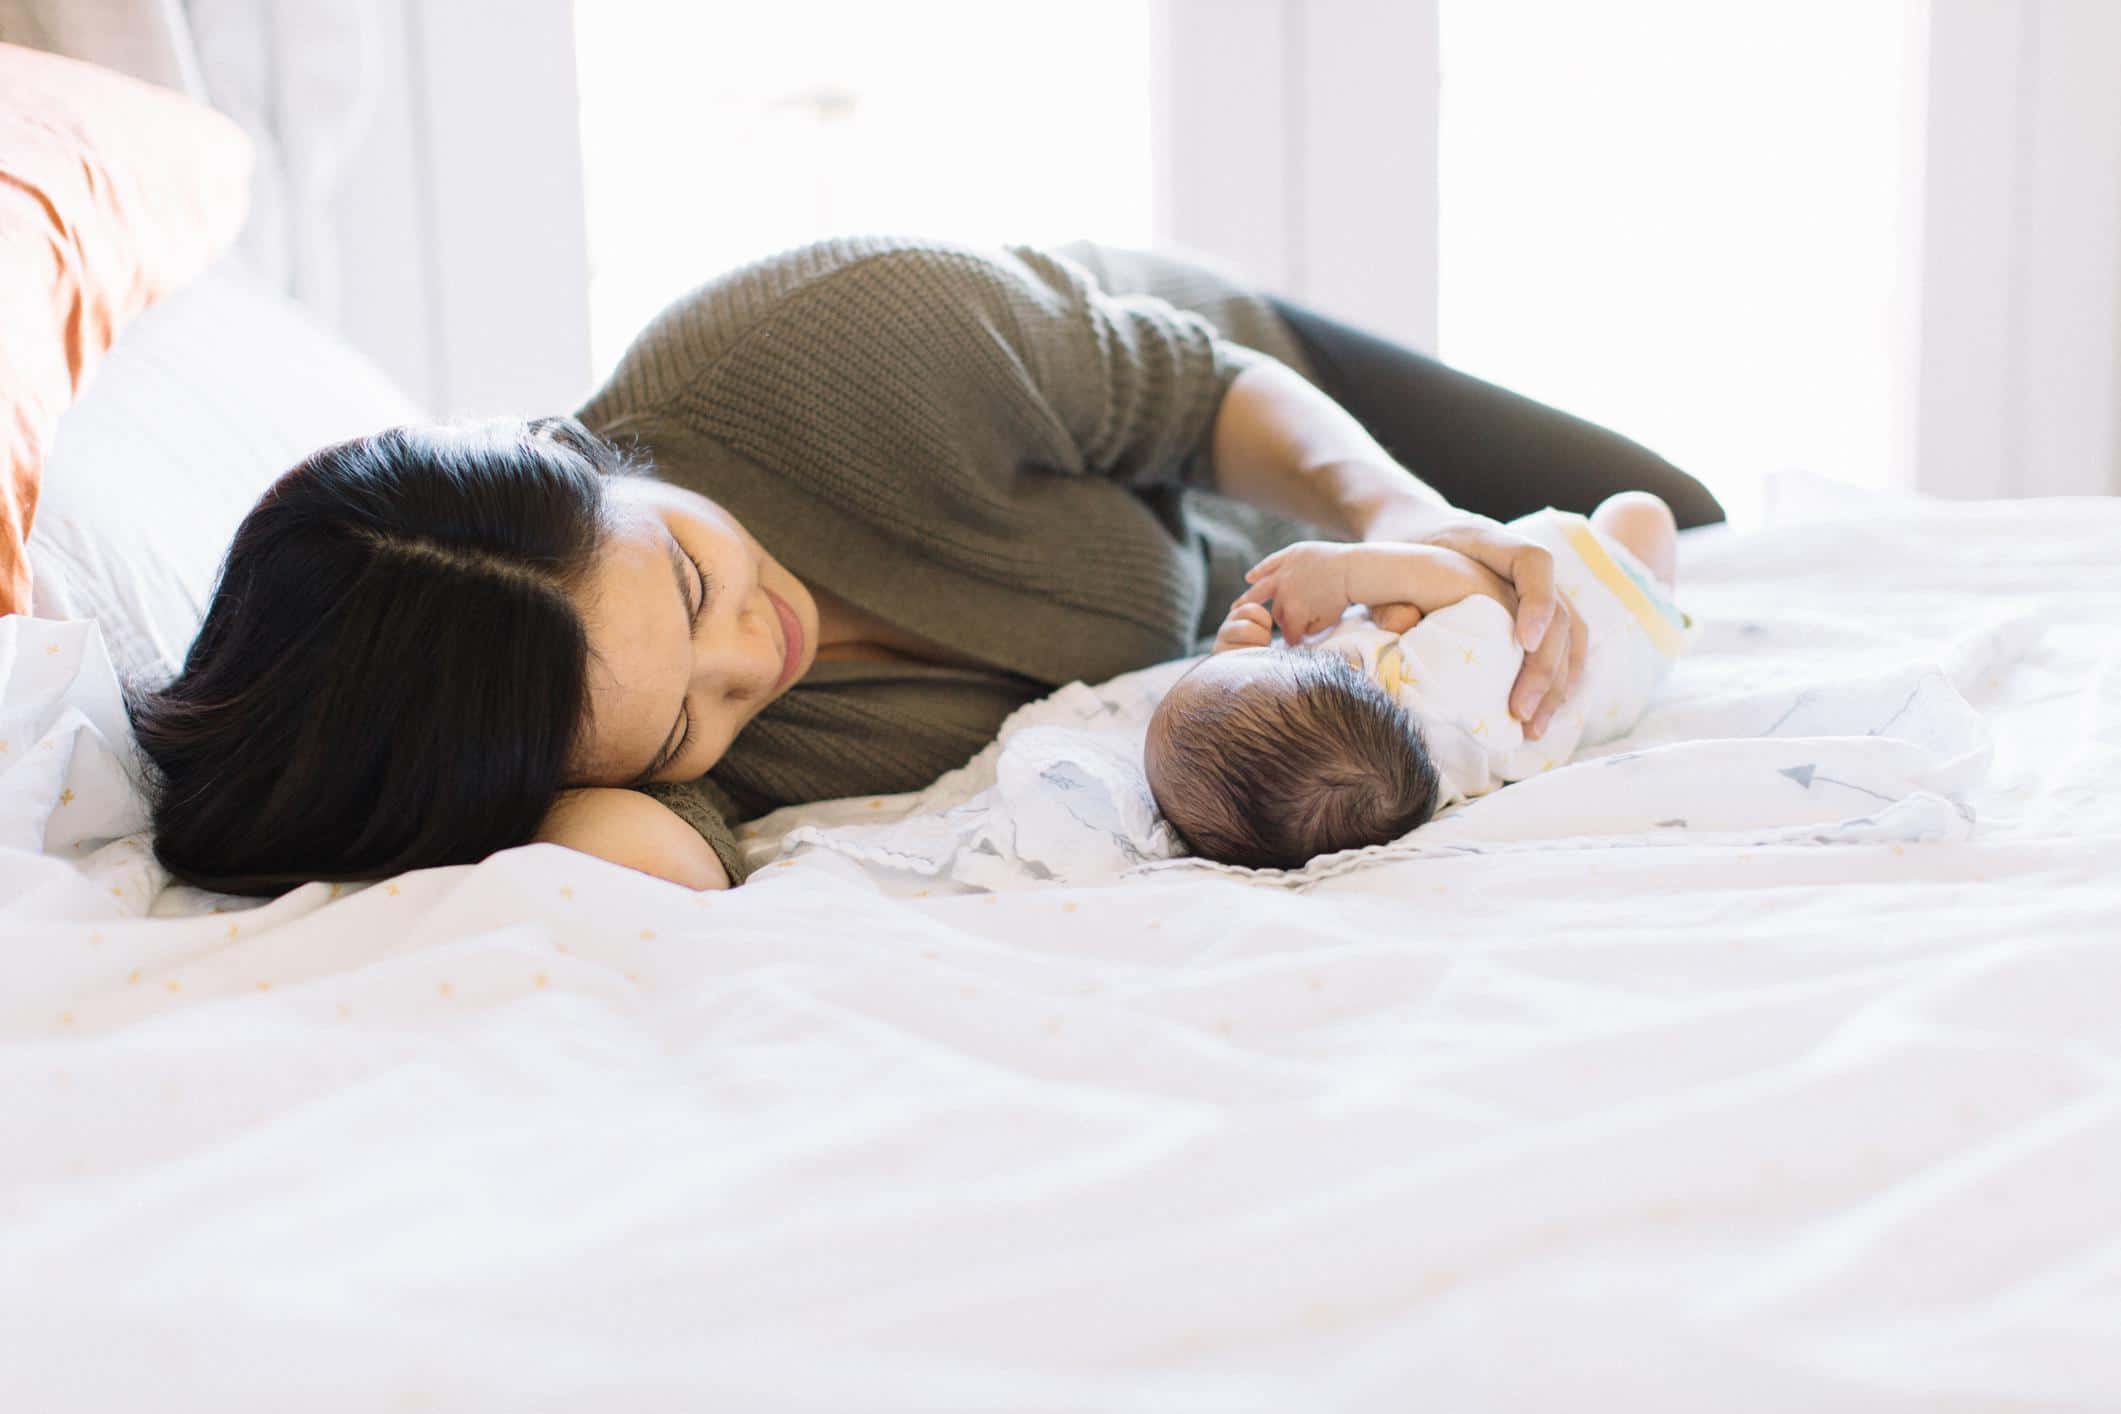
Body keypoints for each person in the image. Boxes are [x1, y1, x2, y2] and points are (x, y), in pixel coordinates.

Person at [127, 236, 1722, 896]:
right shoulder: (629, 752)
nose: (759, 657)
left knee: (1677, 507)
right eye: (690, 718)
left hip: (1267, 418)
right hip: (1267, 653)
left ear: (583, 453)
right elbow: (643, 863)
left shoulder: (811, 346)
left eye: (688, 583)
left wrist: (1388, 517)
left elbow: (1191, 393)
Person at [1144, 492, 1686, 869]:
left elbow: (1259, 732)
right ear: (1345, 674)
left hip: (1594, 659)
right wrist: (1349, 572)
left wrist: (1230, 661)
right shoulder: (1443, 690)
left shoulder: (1385, 776)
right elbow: (1474, 590)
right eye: (1258, 662)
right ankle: (1656, 570)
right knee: (1641, 516)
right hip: (1610, 614)